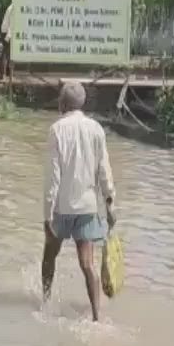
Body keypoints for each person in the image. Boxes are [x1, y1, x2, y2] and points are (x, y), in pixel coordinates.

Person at [43, 81, 117, 322]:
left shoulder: (56, 129)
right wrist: (110, 202)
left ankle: (45, 304)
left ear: (62, 103)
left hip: (62, 208)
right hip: (87, 207)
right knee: (88, 264)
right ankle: (97, 317)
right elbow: (104, 169)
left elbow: (53, 178)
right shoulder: (96, 129)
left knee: (49, 256)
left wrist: (47, 214)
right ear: (82, 103)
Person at [0, 1, 14, 80]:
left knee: (6, 53)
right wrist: (9, 36)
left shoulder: (11, 7)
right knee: (7, 54)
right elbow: (11, 23)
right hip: (7, 32)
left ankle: (4, 73)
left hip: (5, 31)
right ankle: (3, 73)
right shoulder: (13, 8)